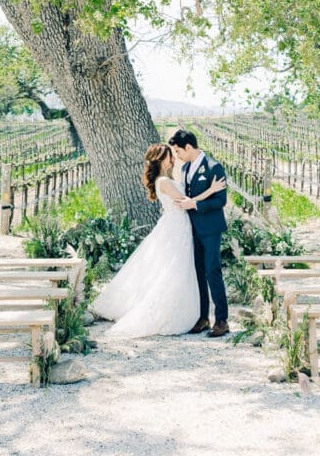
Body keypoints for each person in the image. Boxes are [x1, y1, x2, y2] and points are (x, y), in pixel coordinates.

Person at [92, 143, 225, 338]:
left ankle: (196, 313)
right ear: (162, 159)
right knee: (173, 269)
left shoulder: (168, 178)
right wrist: (211, 190)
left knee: (180, 269)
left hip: (180, 226)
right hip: (176, 226)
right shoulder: (163, 181)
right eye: (171, 155)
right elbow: (185, 202)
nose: (174, 158)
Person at [168, 128, 230, 338]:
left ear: (188, 147)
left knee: (212, 272)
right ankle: (203, 317)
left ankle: (221, 320)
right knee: (197, 274)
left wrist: (195, 205)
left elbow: (220, 201)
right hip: (191, 230)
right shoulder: (185, 168)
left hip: (210, 229)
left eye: (178, 151)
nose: (177, 156)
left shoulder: (214, 167)